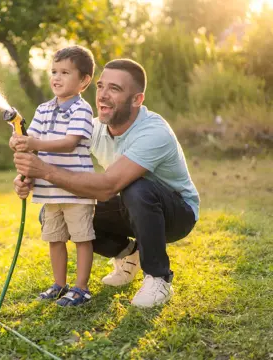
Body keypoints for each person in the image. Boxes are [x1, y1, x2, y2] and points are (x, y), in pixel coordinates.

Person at [12, 59, 199, 308]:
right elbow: (62, 161)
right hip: (129, 205)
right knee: (54, 212)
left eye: (115, 89)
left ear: (137, 100)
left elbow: (108, 185)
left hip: (176, 214)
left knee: (137, 187)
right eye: (101, 86)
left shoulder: (154, 132)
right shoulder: (94, 127)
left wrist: (45, 171)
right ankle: (127, 254)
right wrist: (29, 177)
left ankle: (158, 278)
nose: (103, 95)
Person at [9, 45, 96, 306]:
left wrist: (33, 144)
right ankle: (60, 284)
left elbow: (69, 143)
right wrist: (18, 141)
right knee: (55, 239)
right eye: (54, 71)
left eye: (65, 73)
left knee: (82, 239)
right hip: (49, 191)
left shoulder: (81, 110)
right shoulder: (43, 109)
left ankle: (81, 288)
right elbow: (30, 138)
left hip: (76, 191)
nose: (56, 78)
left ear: (84, 81)